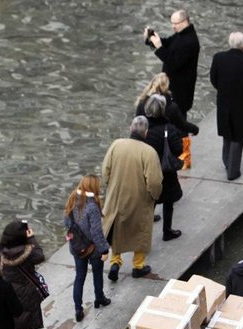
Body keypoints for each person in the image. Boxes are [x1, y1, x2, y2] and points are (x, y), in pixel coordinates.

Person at [102, 116, 163, 282]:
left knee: (118, 229)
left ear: (131, 128)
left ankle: (115, 262)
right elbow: (155, 181)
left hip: (116, 196)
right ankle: (138, 265)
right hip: (139, 200)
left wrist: (111, 186)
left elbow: (105, 170)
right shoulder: (149, 152)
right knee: (140, 231)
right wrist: (153, 196)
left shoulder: (116, 145)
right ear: (146, 132)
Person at [144, 9, 200, 168]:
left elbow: (173, 63)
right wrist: (151, 39)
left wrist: (159, 48)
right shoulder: (181, 35)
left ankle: (186, 159)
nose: (173, 26)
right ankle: (175, 154)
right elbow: (167, 43)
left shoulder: (190, 41)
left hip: (181, 91)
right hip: (171, 88)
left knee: (181, 125)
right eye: (172, 23)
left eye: (175, 24)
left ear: (185, 22)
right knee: (173, 123)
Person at [209, 32, 243, 181]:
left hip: (224, 101)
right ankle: (233, 171)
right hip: (241, 103)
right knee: (238, 136)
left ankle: (227, 162)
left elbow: (213, 79)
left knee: (227, 133)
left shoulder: (218, 58)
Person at [0, 220, 46, 329]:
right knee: (24, 326)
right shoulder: (28, 251)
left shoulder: (2, 251)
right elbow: (40, 256)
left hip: (8, 290)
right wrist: (32, 238)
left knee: (12, 323)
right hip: (26, 292)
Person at [63, 175, 111, 322]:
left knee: (79, 277)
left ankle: (78, 309)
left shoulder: (71, 200)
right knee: (97, 274)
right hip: (93, 249)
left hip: (77, 247)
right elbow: (96, 232)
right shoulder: (92, 206)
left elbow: (66, 223)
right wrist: (104, 250)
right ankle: (99, 298)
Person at [142, 94, 184, 242]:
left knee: (149, 203)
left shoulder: (143, 128)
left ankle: (145, 237)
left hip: (148, 171)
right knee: (168, 203)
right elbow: (178, 149)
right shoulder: (169, 128)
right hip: (166, 171)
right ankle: (167, 231)